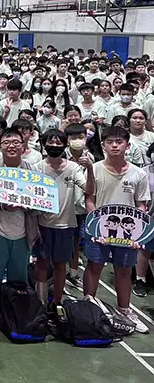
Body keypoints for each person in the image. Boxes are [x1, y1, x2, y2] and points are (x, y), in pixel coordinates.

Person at [83, 126, 150, 333]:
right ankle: (89, 308)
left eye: (119, 142)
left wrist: (137, 233)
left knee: (123, 270)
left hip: (126, 234)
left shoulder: (138, 174)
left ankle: (124, 310)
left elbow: (141, 205)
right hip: (99, 230)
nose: (114, 145)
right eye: (110, 141)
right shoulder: (94, 169)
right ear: (103, 145)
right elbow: (89, 198)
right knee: (94, 266)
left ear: (127, 146)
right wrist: (96, 227)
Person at [0, 127, 39, 333]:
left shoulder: (33, 171)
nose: (11, 145)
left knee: (18, 275)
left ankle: (13, 310)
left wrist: (29, 204)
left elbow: (42, 201)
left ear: (24, 145)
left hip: (23, 233)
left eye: (16, 142)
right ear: (0, 145)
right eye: (7, 142)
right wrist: (3, 204)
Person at [32, 129, 87, 312]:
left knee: (60, 265)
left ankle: (56, 302)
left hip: (66, 225)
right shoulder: (37, 167)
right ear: (44, 144)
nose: (54, 146)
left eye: (58, 143)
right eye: (50, 143)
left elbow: (88, 188)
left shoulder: (73, 168)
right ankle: (40, 301)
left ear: (65, 145)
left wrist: (91, 170)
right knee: (41, 262)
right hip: (42, 224)